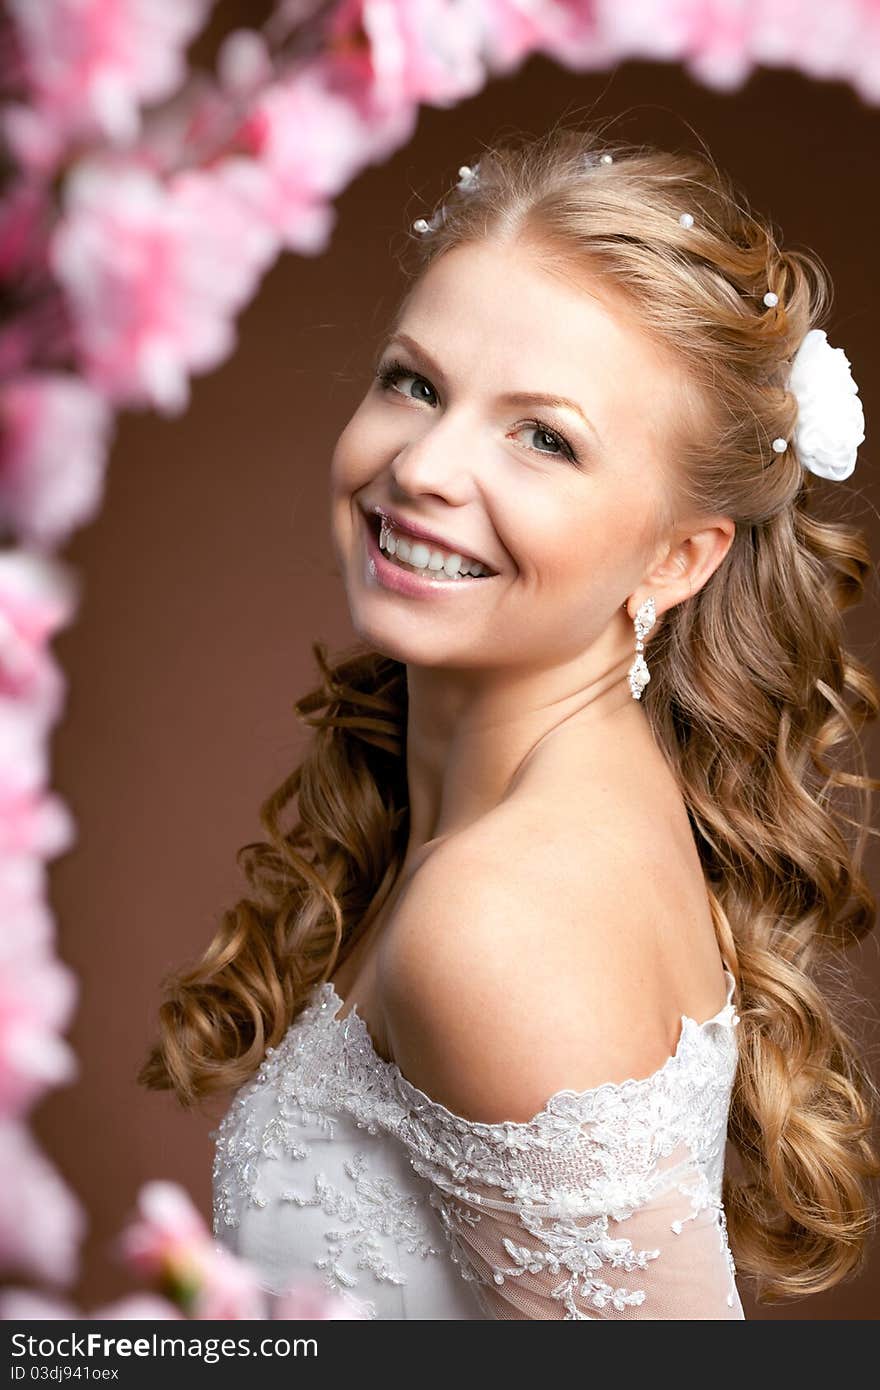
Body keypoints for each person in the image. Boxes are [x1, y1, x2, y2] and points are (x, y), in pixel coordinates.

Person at [139, 123, 880, 1320]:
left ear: (679, 558)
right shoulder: (573, 797)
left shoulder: (497, 918)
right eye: (413, 381)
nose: (426, 464)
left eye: (545, 437)